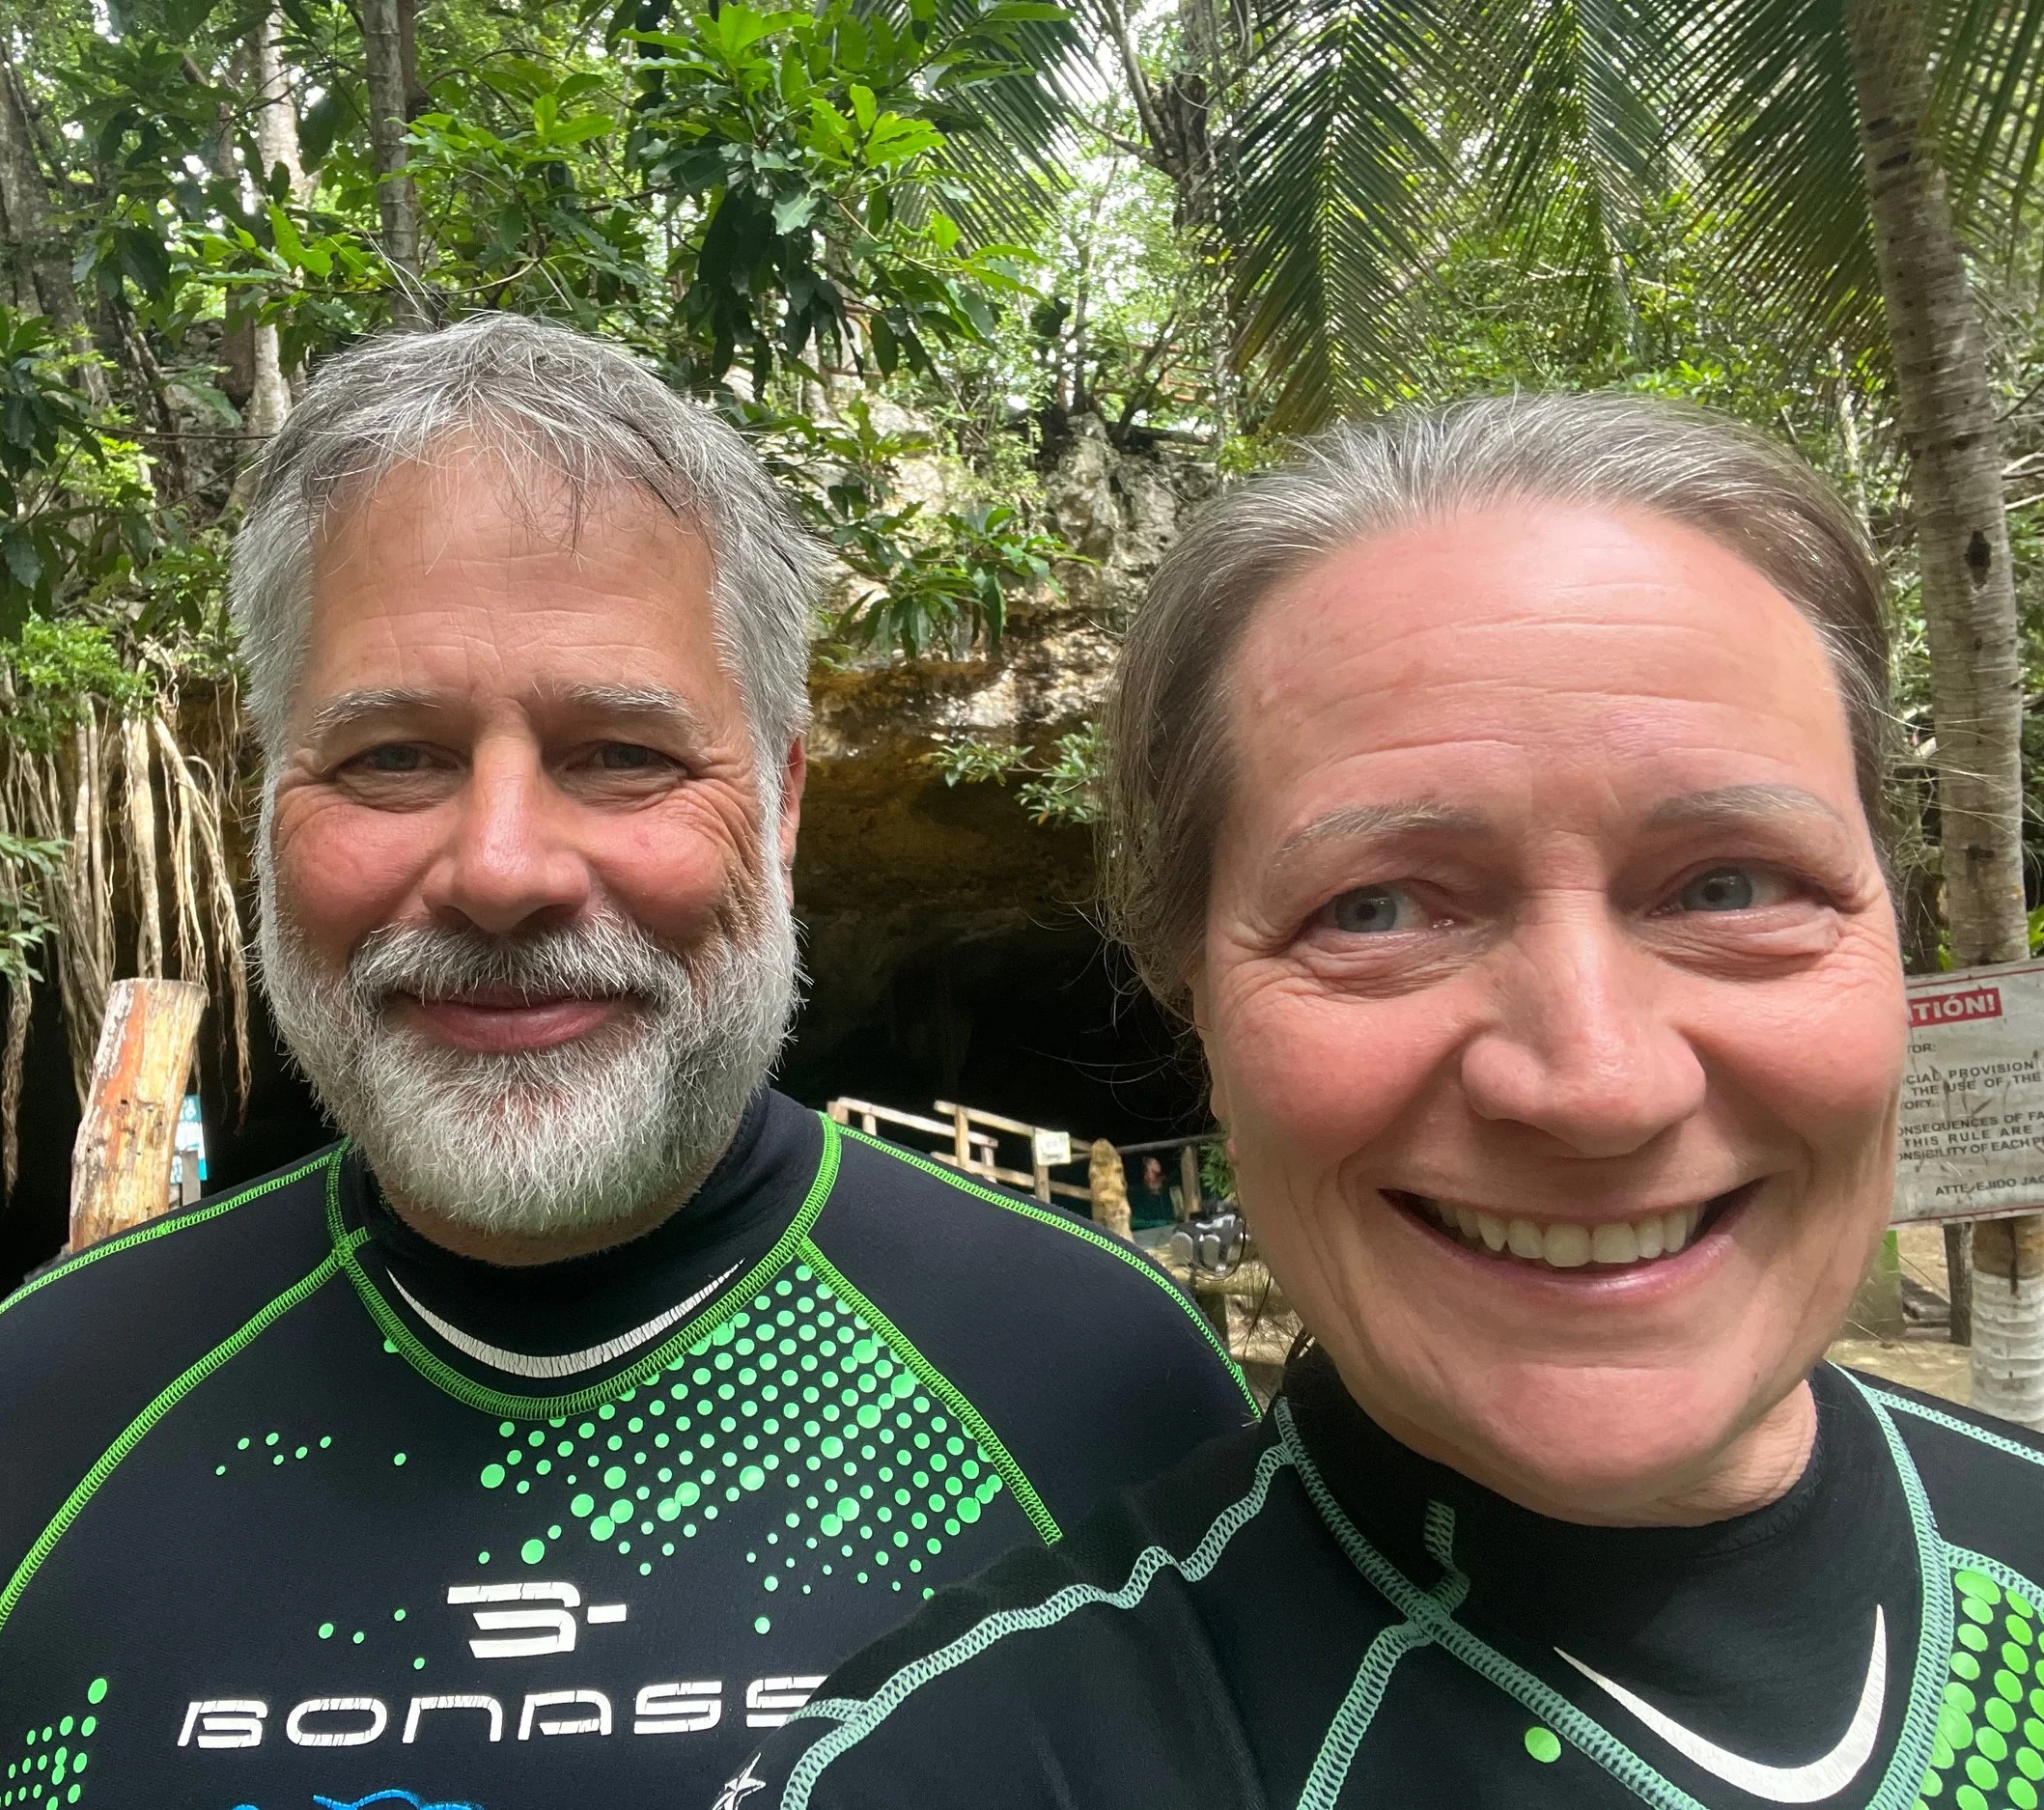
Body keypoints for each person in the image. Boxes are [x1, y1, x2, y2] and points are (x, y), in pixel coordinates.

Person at [0, 314, 1253, 1810]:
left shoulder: (1104, 1392)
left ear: (781, 804)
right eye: (392, 755)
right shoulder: (44, 1415)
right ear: (268, 798)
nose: (504, 868)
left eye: (622, 754)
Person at [731, 394, 2044, 1810]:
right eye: (1379, 908)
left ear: (1894, 948)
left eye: (1730, 886)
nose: (1597, 1083)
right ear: (1204, 1025)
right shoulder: (968, 1773)